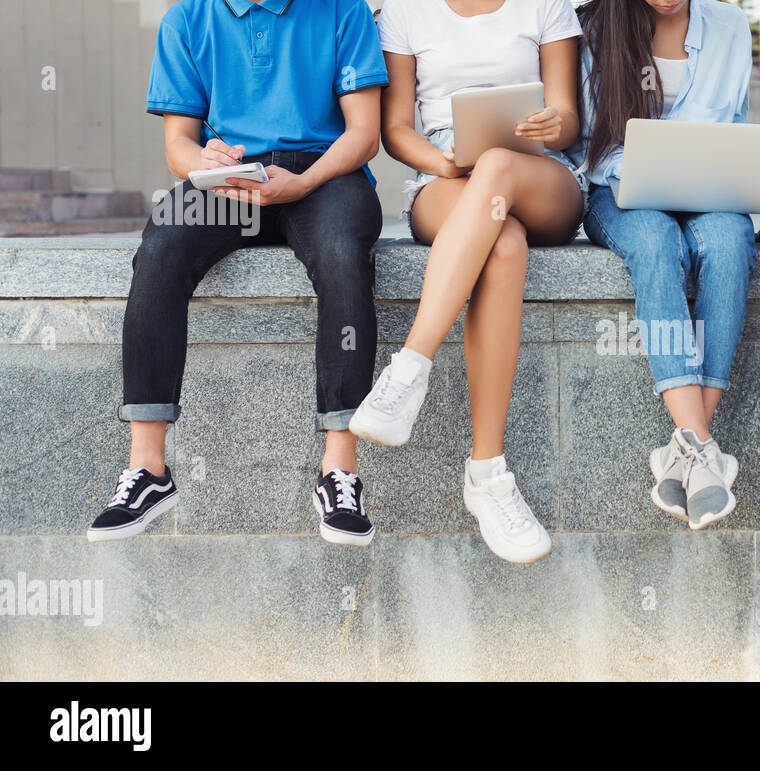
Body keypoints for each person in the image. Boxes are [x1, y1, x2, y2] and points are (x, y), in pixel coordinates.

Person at [88, 0, 389, 547]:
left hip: (324, 177)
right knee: (160, 246)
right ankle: (148, 469)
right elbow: (178, 144)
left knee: (344, 254)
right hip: (231, 178)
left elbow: (365, 133)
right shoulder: (187, 19)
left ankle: (339, 469)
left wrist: (302, 182)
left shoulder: (344, 11)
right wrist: (205, 162)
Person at [348, 0, 587, 564]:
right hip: (447, 177)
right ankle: (488, 474)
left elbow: (569, 117)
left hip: (538, 176)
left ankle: (409, 367)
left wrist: (555, 123)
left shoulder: (547, 5)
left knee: (499, 164)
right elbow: (396, 129)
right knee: (503, 245)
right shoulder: (404, 13)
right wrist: (444, 162)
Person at [571, 0, 757, 531]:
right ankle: (705, 454)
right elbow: (592, 147)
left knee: (727, 243)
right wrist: (647, 170)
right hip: (621, 192)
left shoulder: (729, 26)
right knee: (654, 243)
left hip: (708, 191)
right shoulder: (593, 28)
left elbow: (731, 129)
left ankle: (688, 451)